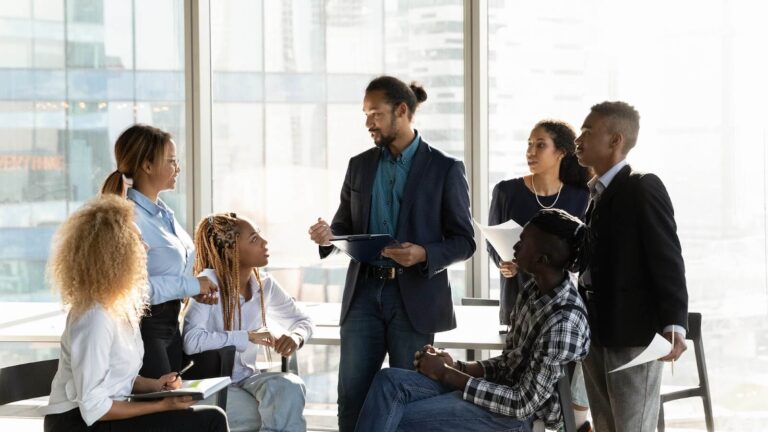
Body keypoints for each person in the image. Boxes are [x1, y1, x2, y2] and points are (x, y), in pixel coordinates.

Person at [307, 75, 476, 431]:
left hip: (413, 298)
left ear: (402, 111)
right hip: (364, 295)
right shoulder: (360, 165)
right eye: (366, 114)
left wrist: (423, 254)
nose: (368, 122)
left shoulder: (445, 169)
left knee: (409, 399)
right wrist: (328, 237)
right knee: (352, 396)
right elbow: (343, 226)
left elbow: (464, 240)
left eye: (375, 114)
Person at [354, 208, 591, 432]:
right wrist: (457, 367)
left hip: (517, 418)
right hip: (499, 394)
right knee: (388, 382)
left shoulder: (564, 321)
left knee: (395, 416)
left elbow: (522, 404)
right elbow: (510, 363)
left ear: (543, 259)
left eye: (523, 241)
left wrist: (447, 374)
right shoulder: (533, 291)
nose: (515, 246)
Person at [42, 195, 228, 432]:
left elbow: (119, 380)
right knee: (210, 420)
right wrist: (162, 406)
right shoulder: (94, 317)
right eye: (138, 240)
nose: (147, 247)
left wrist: (156, 386)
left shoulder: (122, 307)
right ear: (114, 253)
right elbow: (94, 407)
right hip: (78, 424)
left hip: (107, 415)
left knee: (204, 418)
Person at [574, 101, 689, 431]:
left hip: (634, 333)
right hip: (596, 329)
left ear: (615, 140)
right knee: (606, 424)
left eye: (587, 130)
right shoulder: (594, 194)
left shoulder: (642, 186)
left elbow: (667, 258)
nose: (578, 139)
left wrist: (674, 324)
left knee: (631, 426)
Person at [488, 119, 593, 431]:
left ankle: (575, 425)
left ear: (561, 152)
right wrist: (504, 262)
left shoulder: (581, 196)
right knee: (517, 379)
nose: (530, 151)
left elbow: (581, 257)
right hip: (516, 300)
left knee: (555, 393)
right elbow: (494, 244)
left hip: (560, 308)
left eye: (540, 145)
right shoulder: (506, 191)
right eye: (529, 145)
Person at [101, 124, 218, 379]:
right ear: (147, 166)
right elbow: (132, 291)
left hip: (171, 326)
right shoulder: (128, 218)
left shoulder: (164, 215)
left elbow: (173, 275)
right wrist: (190, 285)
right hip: (145, 330)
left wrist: (194, 290)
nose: (178, 168)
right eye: (172, 161)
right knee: (164, 409)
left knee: (177, 405)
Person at [184, 213, 313, 432]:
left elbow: (303, 319)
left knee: (290, 387)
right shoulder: (208, 284)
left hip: (247, 382)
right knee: (276, 412)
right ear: (231, 251)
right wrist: (246, 336)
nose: (264, 242)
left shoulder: (264, 285)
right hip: (211, 386)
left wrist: (296, 337)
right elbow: (191, 341)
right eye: (253, 239)